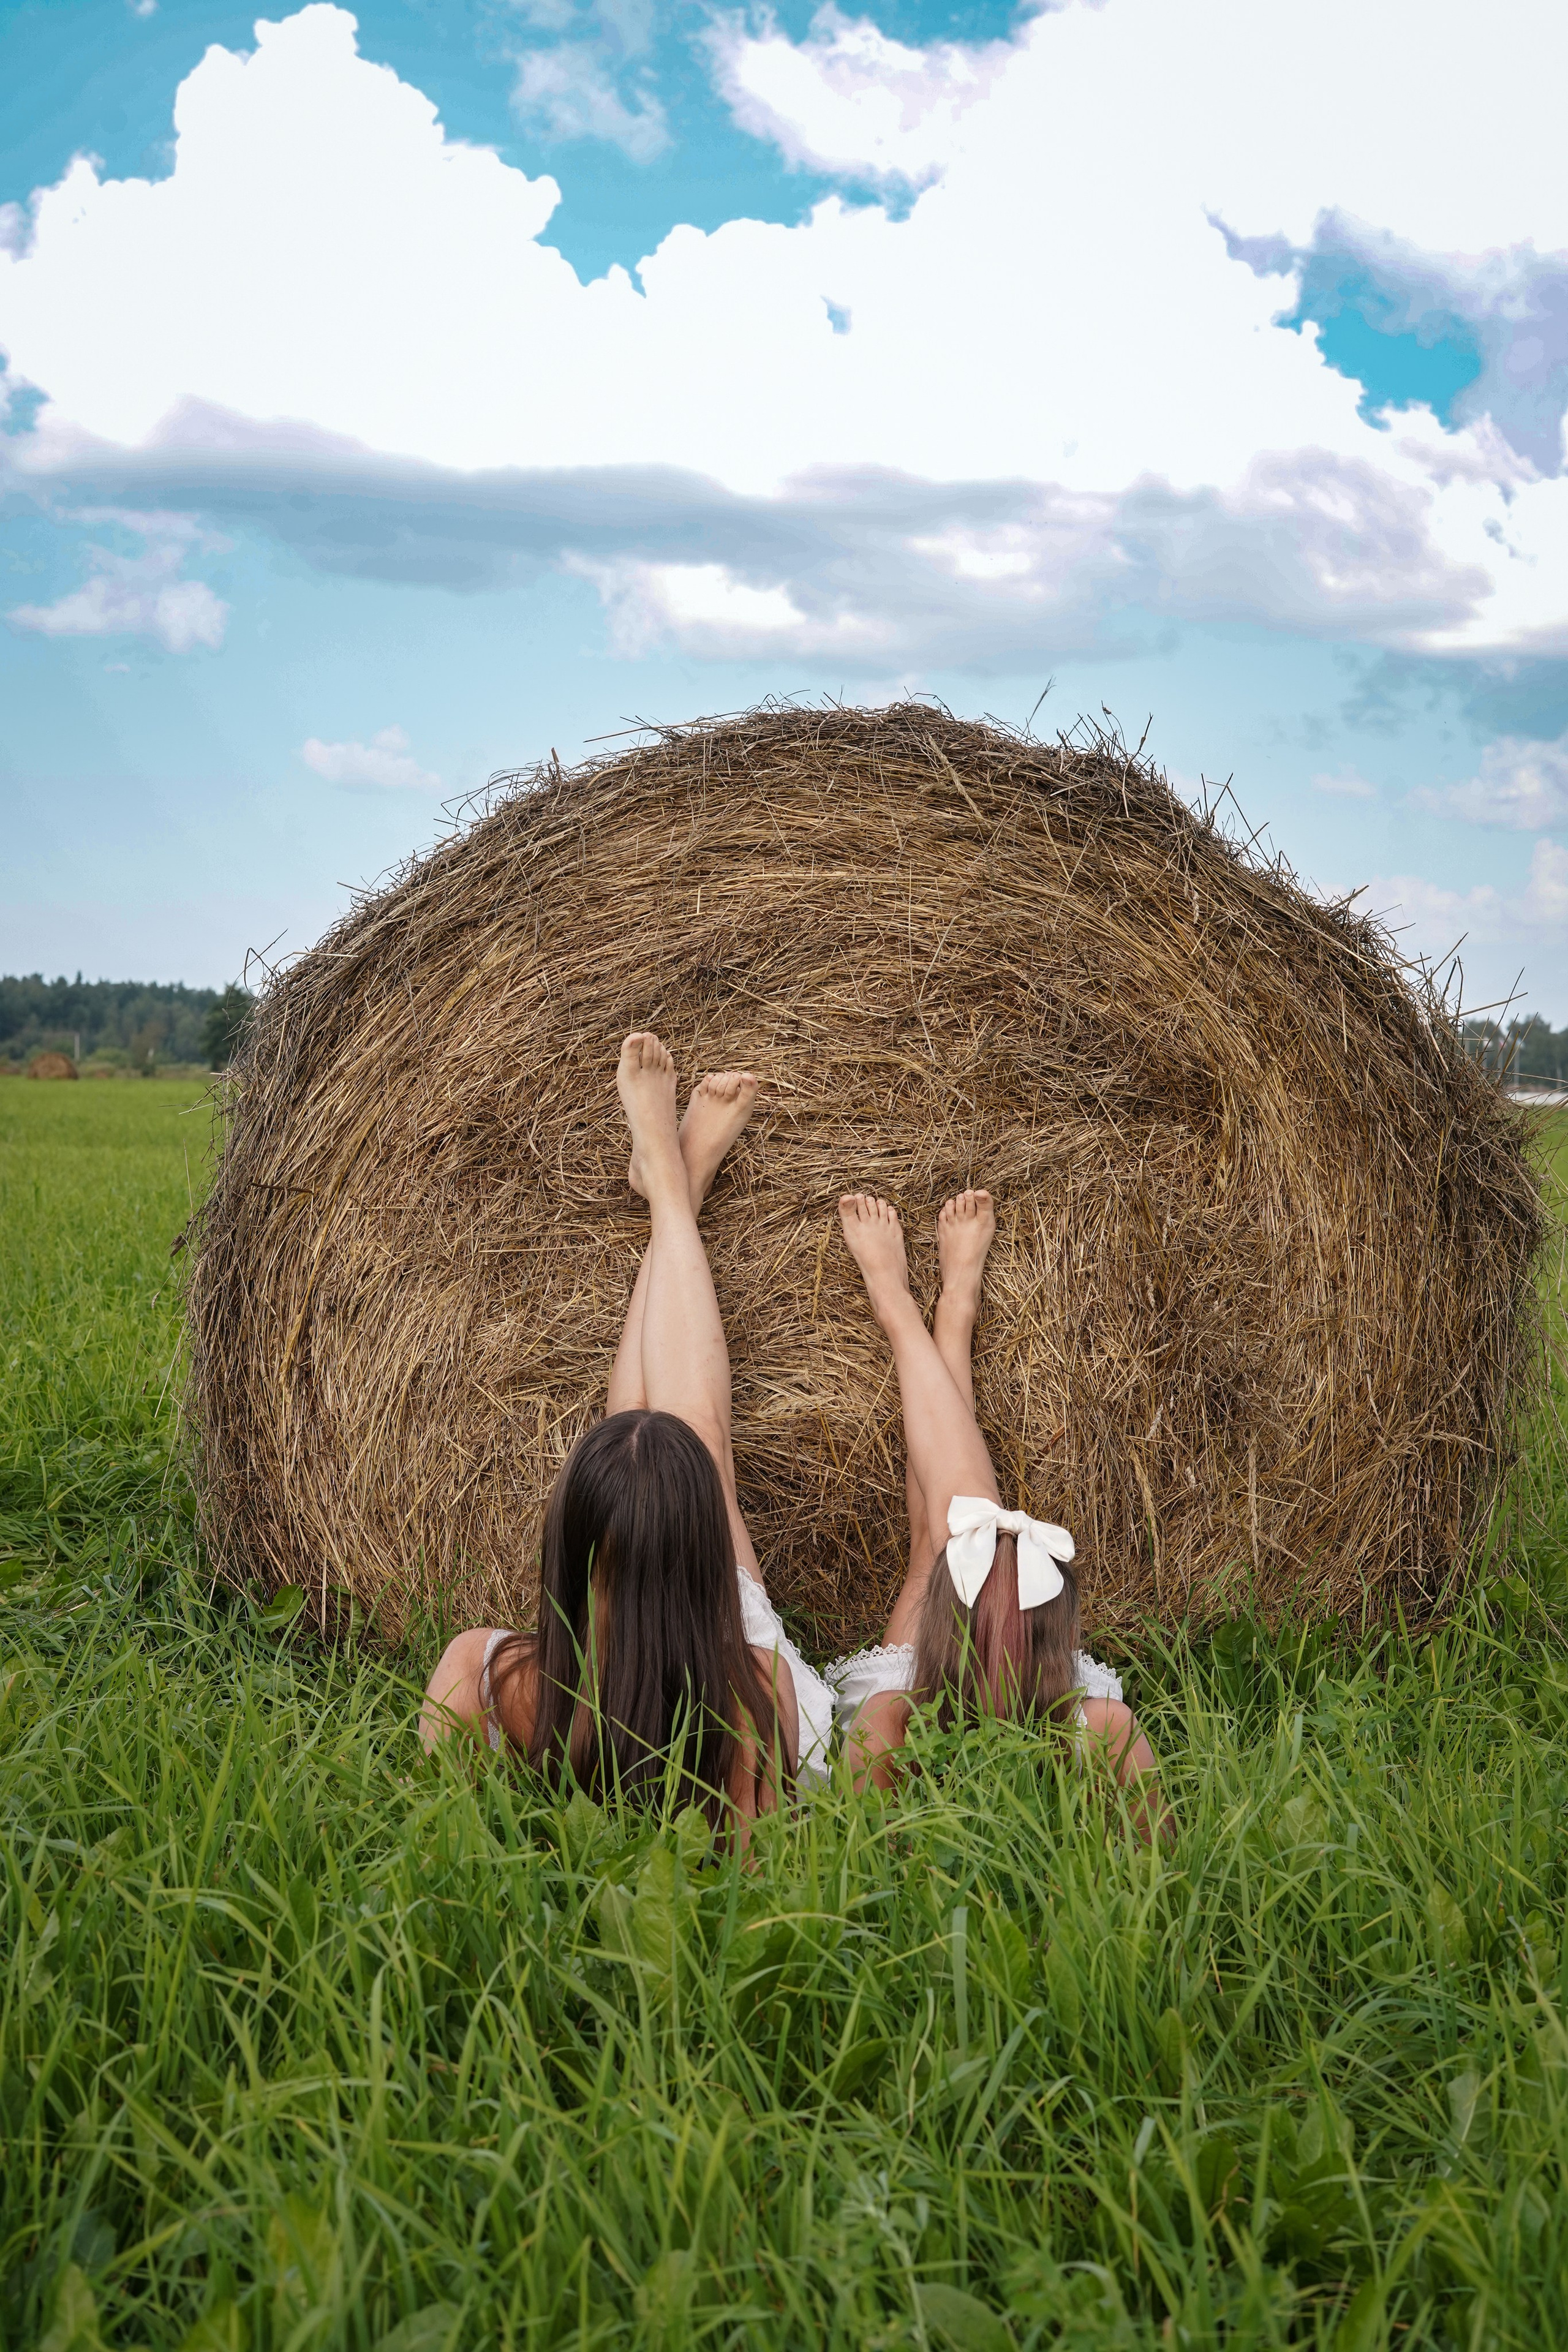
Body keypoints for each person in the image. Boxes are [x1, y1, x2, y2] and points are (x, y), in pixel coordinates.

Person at [420, 1032, 834, 1825]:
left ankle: (674, 1185)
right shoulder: (753, 1688)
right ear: (706, 1550)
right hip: (713, 1660)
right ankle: (675, 1186)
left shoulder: (482, 1672)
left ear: (565, 1545)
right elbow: (754, 1876)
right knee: (694, 1442)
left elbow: (440, 1845)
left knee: (642, 1453)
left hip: (603, 1658)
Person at [829, 1188, 1167, 1840]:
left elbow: (856, 1853)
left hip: (930, 1700)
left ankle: (900, 1308)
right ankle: (952, 1315)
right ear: (1063, 1637)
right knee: (944, 1534)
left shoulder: (892, 1716)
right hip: (1022, 1714)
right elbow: (1161, 1856)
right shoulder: (1102, 1731)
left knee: (950, 1528)